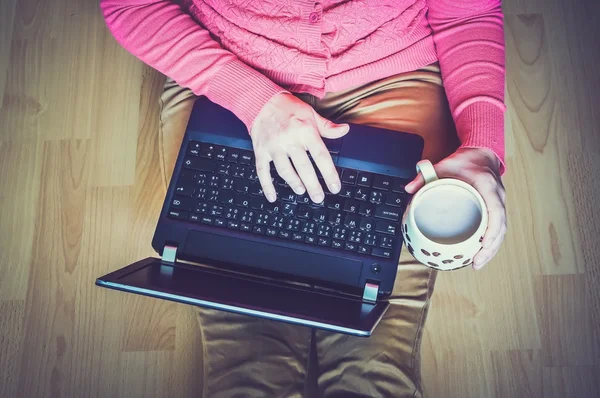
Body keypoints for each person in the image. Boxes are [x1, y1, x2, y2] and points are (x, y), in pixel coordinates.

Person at [101, 0, 507, 396]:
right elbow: (128, 5)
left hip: (391, 69)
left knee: (373, 365)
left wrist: (482, 147)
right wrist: (253, 99)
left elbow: (468, 9)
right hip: (226, 64)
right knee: (245, 368)